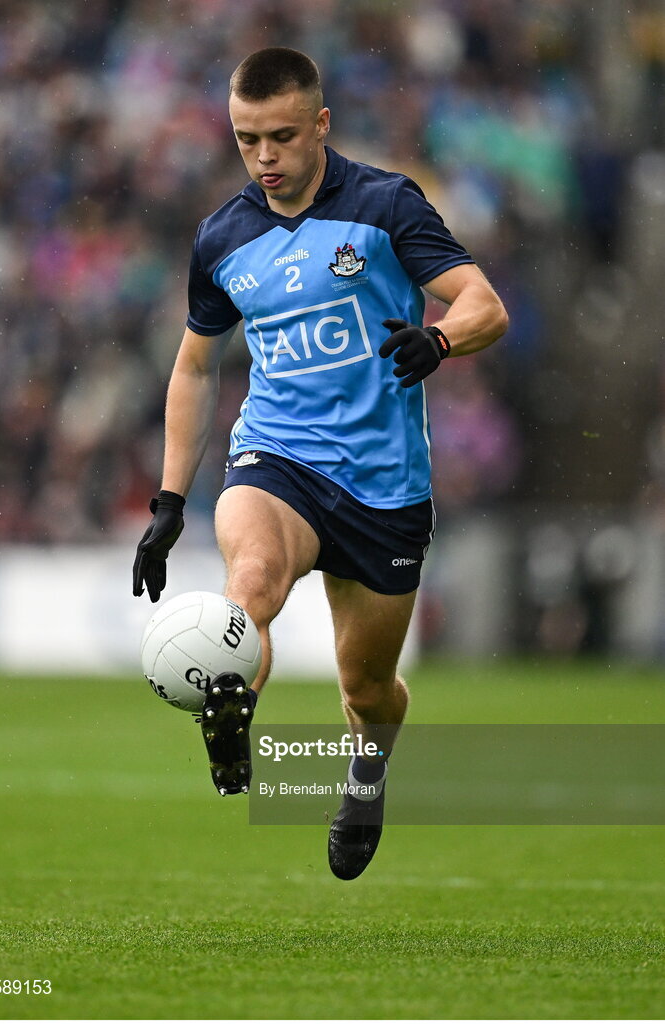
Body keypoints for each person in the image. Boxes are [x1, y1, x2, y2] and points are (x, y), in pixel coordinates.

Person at [133, 47, 508, 880]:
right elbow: (196, 366)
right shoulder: (223, 237)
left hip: (383, 487)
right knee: (253, 580)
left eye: (281, 136)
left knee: (368, 691)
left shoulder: (384, 205)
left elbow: (485, 305)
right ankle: (234, 717)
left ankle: (366, 773)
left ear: (321, 125)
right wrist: (168, 500)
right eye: (245, 140)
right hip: (277, 457)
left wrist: (439, 337)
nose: (264, 158)